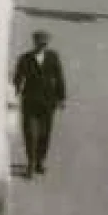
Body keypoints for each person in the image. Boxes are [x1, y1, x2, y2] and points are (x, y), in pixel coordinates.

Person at [13, 30, 66, 176]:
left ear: (47, 44)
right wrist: (14, 95)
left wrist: (61, 98)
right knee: (30, 133)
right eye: (39, 43)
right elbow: (18, 79)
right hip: (30, 101)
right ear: (34, 43)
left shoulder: (53, 57)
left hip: (48, 102)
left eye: (44, 44)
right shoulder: (24, 59)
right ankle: (30, 163)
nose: (41, 46)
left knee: (45, 134)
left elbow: (59, 78)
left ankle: (40, 162)